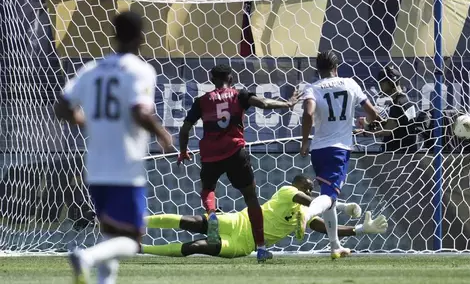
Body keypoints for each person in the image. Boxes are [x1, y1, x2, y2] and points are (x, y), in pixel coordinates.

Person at [54, 11, 172, 284]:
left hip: (95, 168)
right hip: (125, 166)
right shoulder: (139, 70)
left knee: (110, 236)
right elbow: (139, 113)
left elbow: (61, 107)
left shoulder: (91, 69)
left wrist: (86, 121)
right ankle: (86, 258)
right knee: (131, 240)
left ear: (113, 35)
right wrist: (163, 134)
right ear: (142, 37)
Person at [177, 64, 300, 262]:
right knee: (251, 198)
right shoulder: (239, 95)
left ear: (212, 79)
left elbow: (185, 129)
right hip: (235, 152)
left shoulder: (202, 101)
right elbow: (264, 104)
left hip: (210, 154)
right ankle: (260, 248)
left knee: (208, 188)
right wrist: (287, 104)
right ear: (231, 79)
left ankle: (212, 213)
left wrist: (183, 151)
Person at [140, 175, 388, 258]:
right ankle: (141, 221)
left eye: (311, 187)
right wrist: (339, 204)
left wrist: (358, 230)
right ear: (296, 184)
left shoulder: (306, 213)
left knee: (198, 246)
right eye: (306, 185)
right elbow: (311, 202)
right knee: (193, 222)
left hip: (243, 244)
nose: (308, 188)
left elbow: (325, 228)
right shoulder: (289, 192)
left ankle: (142, 249)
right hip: (239, 220)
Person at [299, 50, 382, 259]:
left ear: (318, 70)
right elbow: (373, 114)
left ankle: (335, 245)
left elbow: (308, 113)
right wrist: (368, 124)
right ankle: (307, 215)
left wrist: (304, 141)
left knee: (330, 199)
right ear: (336, 67)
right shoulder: (350, 83)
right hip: (339, 149)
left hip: (318, 149)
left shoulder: (312, 88)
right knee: (328, 196)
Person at [357, 64, 419, 155]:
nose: (380, 85)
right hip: (407, 152)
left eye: (382, 82)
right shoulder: (404, 100)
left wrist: (364, 133)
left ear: (390, 83)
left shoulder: (398, 104)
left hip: (398, 155)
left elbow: (387, 131)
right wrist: (377, 120)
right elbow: (397, 125)